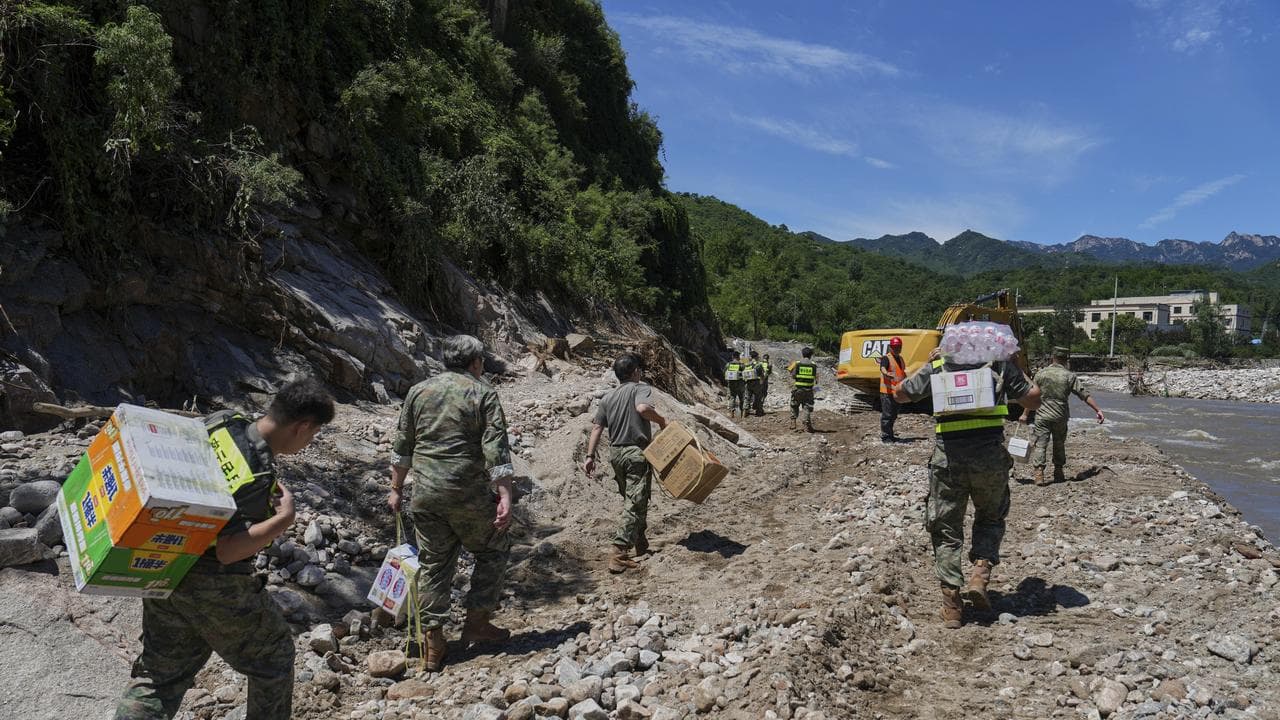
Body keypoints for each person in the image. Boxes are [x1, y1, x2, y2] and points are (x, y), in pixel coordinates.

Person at [115, 378, 336, 720]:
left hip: (165, 561)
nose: (310, 441)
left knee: (159, 675)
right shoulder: (257, 472)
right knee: (274, 658)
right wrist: (284, 518)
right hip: (213, 583)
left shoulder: (223, 422)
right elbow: (228, 551)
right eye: (313, 433)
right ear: (302, 425)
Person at [389, 335, 514, 672]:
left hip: (426, 494)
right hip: (467, 494)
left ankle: (432, 642)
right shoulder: (483, 392)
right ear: (476, 362)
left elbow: (403, 444)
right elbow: (495, 447)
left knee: (433, 564)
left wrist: (396, 488)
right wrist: (504, 493)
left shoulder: (419, 391)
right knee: (494, 549)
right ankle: (476, 625)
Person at [895, 340, 1041, 629]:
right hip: (989, 457)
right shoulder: (999, 366)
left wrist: (929, 363)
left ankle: (952, 605)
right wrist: (1015, 365)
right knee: (990, 517)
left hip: (948, 458)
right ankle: (980, 574)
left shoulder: (939, 366)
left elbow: (900, 394)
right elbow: (1034, 399)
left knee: (946, 527)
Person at [582, 353, 668, 573]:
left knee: (632, 499)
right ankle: (619, 552)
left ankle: (641, 543)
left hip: (615, 455)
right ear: (635, 372)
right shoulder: (640, 388)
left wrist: (590, 456)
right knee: (636, 502)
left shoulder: (608, 398)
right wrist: (662, 421)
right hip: (635, 453)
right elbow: (642, 409)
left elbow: (597, 428)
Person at [1023, 346, 1104, 486]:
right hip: (1060, 415)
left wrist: (1024, 414)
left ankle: (1039, 475)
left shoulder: (1041, 374)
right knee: (1059, 444)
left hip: (1042, 415)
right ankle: (1058, 472)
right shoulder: (1069, 376)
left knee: (1041, 445)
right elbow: (1083, 394)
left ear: (1052, 357)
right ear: (1066, 360)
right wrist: (1098, 410)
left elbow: (1032, 397)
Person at [879, 337, 907, 443]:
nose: (897, 349)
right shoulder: (886, 358)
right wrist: (886, 373)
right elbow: (882, 368)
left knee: (894, 415)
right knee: (887, 415)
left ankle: (890, 435)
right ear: (890, 347)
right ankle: (886, 437)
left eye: (898, 347)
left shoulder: (901, 359)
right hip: (887, 392)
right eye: (895, 347)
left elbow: (902, 373)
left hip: (897, 392)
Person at [787, 347, 818, 432]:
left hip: (798, 389)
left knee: (794, 404)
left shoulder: (797, 363)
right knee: (807, 407)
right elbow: (816, 378)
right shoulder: (813, 365)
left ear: (802, 354)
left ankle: (793, 421)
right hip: (809, 390)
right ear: (811, 355)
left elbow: (793, 375)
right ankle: (807, 424)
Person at [723, 354, 747, 418]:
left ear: (732, 357)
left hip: (731, 384)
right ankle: (742, 414)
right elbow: (745, 374)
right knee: (742, 398)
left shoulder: (728, 364)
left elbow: (724, 372)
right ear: (738, 357)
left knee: (732, 398)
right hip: (740, 384)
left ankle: (732, 413)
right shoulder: (741, 365)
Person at [744, 350, 765, 417]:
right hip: (756, 382)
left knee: (747, 397)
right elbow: (761, 375)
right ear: (756, 357)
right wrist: (762, 382)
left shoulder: (747, 364)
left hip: (748, 382)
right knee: (758, 397)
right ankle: (758, 411)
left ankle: (746, 410)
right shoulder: (758, 364)